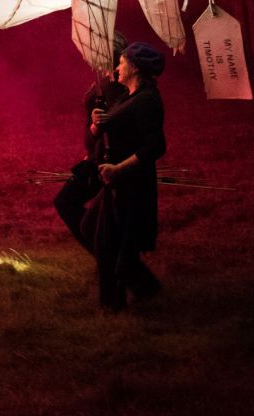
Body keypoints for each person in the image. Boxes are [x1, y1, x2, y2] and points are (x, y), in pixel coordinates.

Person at [83, 42, 168, 311]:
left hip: (131, 184)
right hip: (117, 182)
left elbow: (156, 146)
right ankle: (140, 289)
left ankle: (114, 304)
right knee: (94, 230)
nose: (116, 67)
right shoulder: (129, 95)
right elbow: (114, 125)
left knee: (107, 242)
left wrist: (119, 168)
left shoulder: (147, 100)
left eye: (121, 62)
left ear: (134, 67)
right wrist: (97, 123)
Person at [54, 33, 131, 254]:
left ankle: (114, 261)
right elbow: (95, 125)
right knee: (69, 204)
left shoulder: (119, 84)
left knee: (72, 206)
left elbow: (120, 123)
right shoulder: (103, 80)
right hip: (96, 159)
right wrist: (93, 135)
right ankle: (112, 259)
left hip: (111, 162)